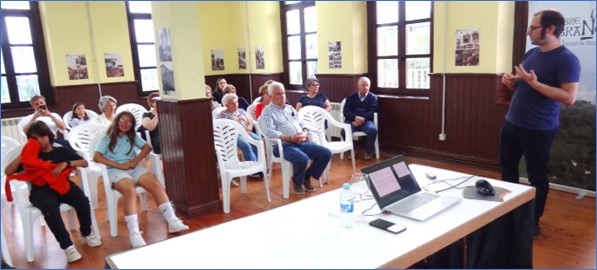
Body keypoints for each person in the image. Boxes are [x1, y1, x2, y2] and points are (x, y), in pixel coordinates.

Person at [499, 9, 580, 239]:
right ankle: (509, 212)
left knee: (537, 177)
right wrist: (511, 82)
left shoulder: (567, 59)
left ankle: (533, 221)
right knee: (508, 169)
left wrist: (534, 83)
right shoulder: (532, 53)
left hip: (539, 129)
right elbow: (522, 85)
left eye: (533, 28)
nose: (528, 32)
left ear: (550, 29)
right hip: (512, 123)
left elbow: (569, 97)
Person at [4, 121, 102, 263]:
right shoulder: (31, 156)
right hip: (41, 190)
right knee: (50, 208)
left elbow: (84, 162)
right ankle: (67, 246)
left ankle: (86, 232)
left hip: (62, 184)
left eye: (42, 136)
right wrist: (24, 153)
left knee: (82, 200)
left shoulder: (60, 150)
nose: (40, 141)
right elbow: (8, 171)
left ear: (48, 135)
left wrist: (66, 163)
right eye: (35, 138)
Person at [93, 111, 188, 248]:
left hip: (134, 168)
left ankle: (172, 221)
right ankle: (134, 234)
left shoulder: (132, 136)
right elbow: (97, 157)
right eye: (122, 120)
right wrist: (119, 165)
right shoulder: (106, 138)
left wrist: (135, 160)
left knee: (155, 183)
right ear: (116, 121)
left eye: (129, 122)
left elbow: (147, 147)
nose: (125, 124)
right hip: (115, 170)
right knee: (129, 190)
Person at [258, 82, 332, 195]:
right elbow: (268, 131)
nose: (282, 96)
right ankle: (297, 181)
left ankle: (306, 177)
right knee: (303, 159)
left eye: (283, 93)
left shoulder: (290, 108)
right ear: (270, 96)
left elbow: (302, 123)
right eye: (278, 94)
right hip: (283, 145)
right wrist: (290, 138)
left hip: (301, 142)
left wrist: (304, 132)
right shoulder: (267, 111)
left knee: (326, 153)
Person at [219, 93, 263, 181]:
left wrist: (249, 128)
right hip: (235, 134)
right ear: (226, 105)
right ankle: (253, 170)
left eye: (236, 102)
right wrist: (235, 122)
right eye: (233, 103)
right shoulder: (223, 114)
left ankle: (257, 165)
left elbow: (250, 122)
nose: (236, 105)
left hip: (246, 132)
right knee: (246, 144)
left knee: (259, 141)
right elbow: (226, 127)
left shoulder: (242, 111)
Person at [342, 76, 378, 160]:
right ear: (358, 86)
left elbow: (372, 111)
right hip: (352, 120)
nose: (366, 87)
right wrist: (354, 118)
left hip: (366, 121)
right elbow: (346, 111)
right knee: (344, 131)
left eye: (367, 85)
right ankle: (353, 149)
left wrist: (362, 119)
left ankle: (368, 151)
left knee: (372, 130)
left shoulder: (373, 97)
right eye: (363, 85)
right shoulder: (351, 97)